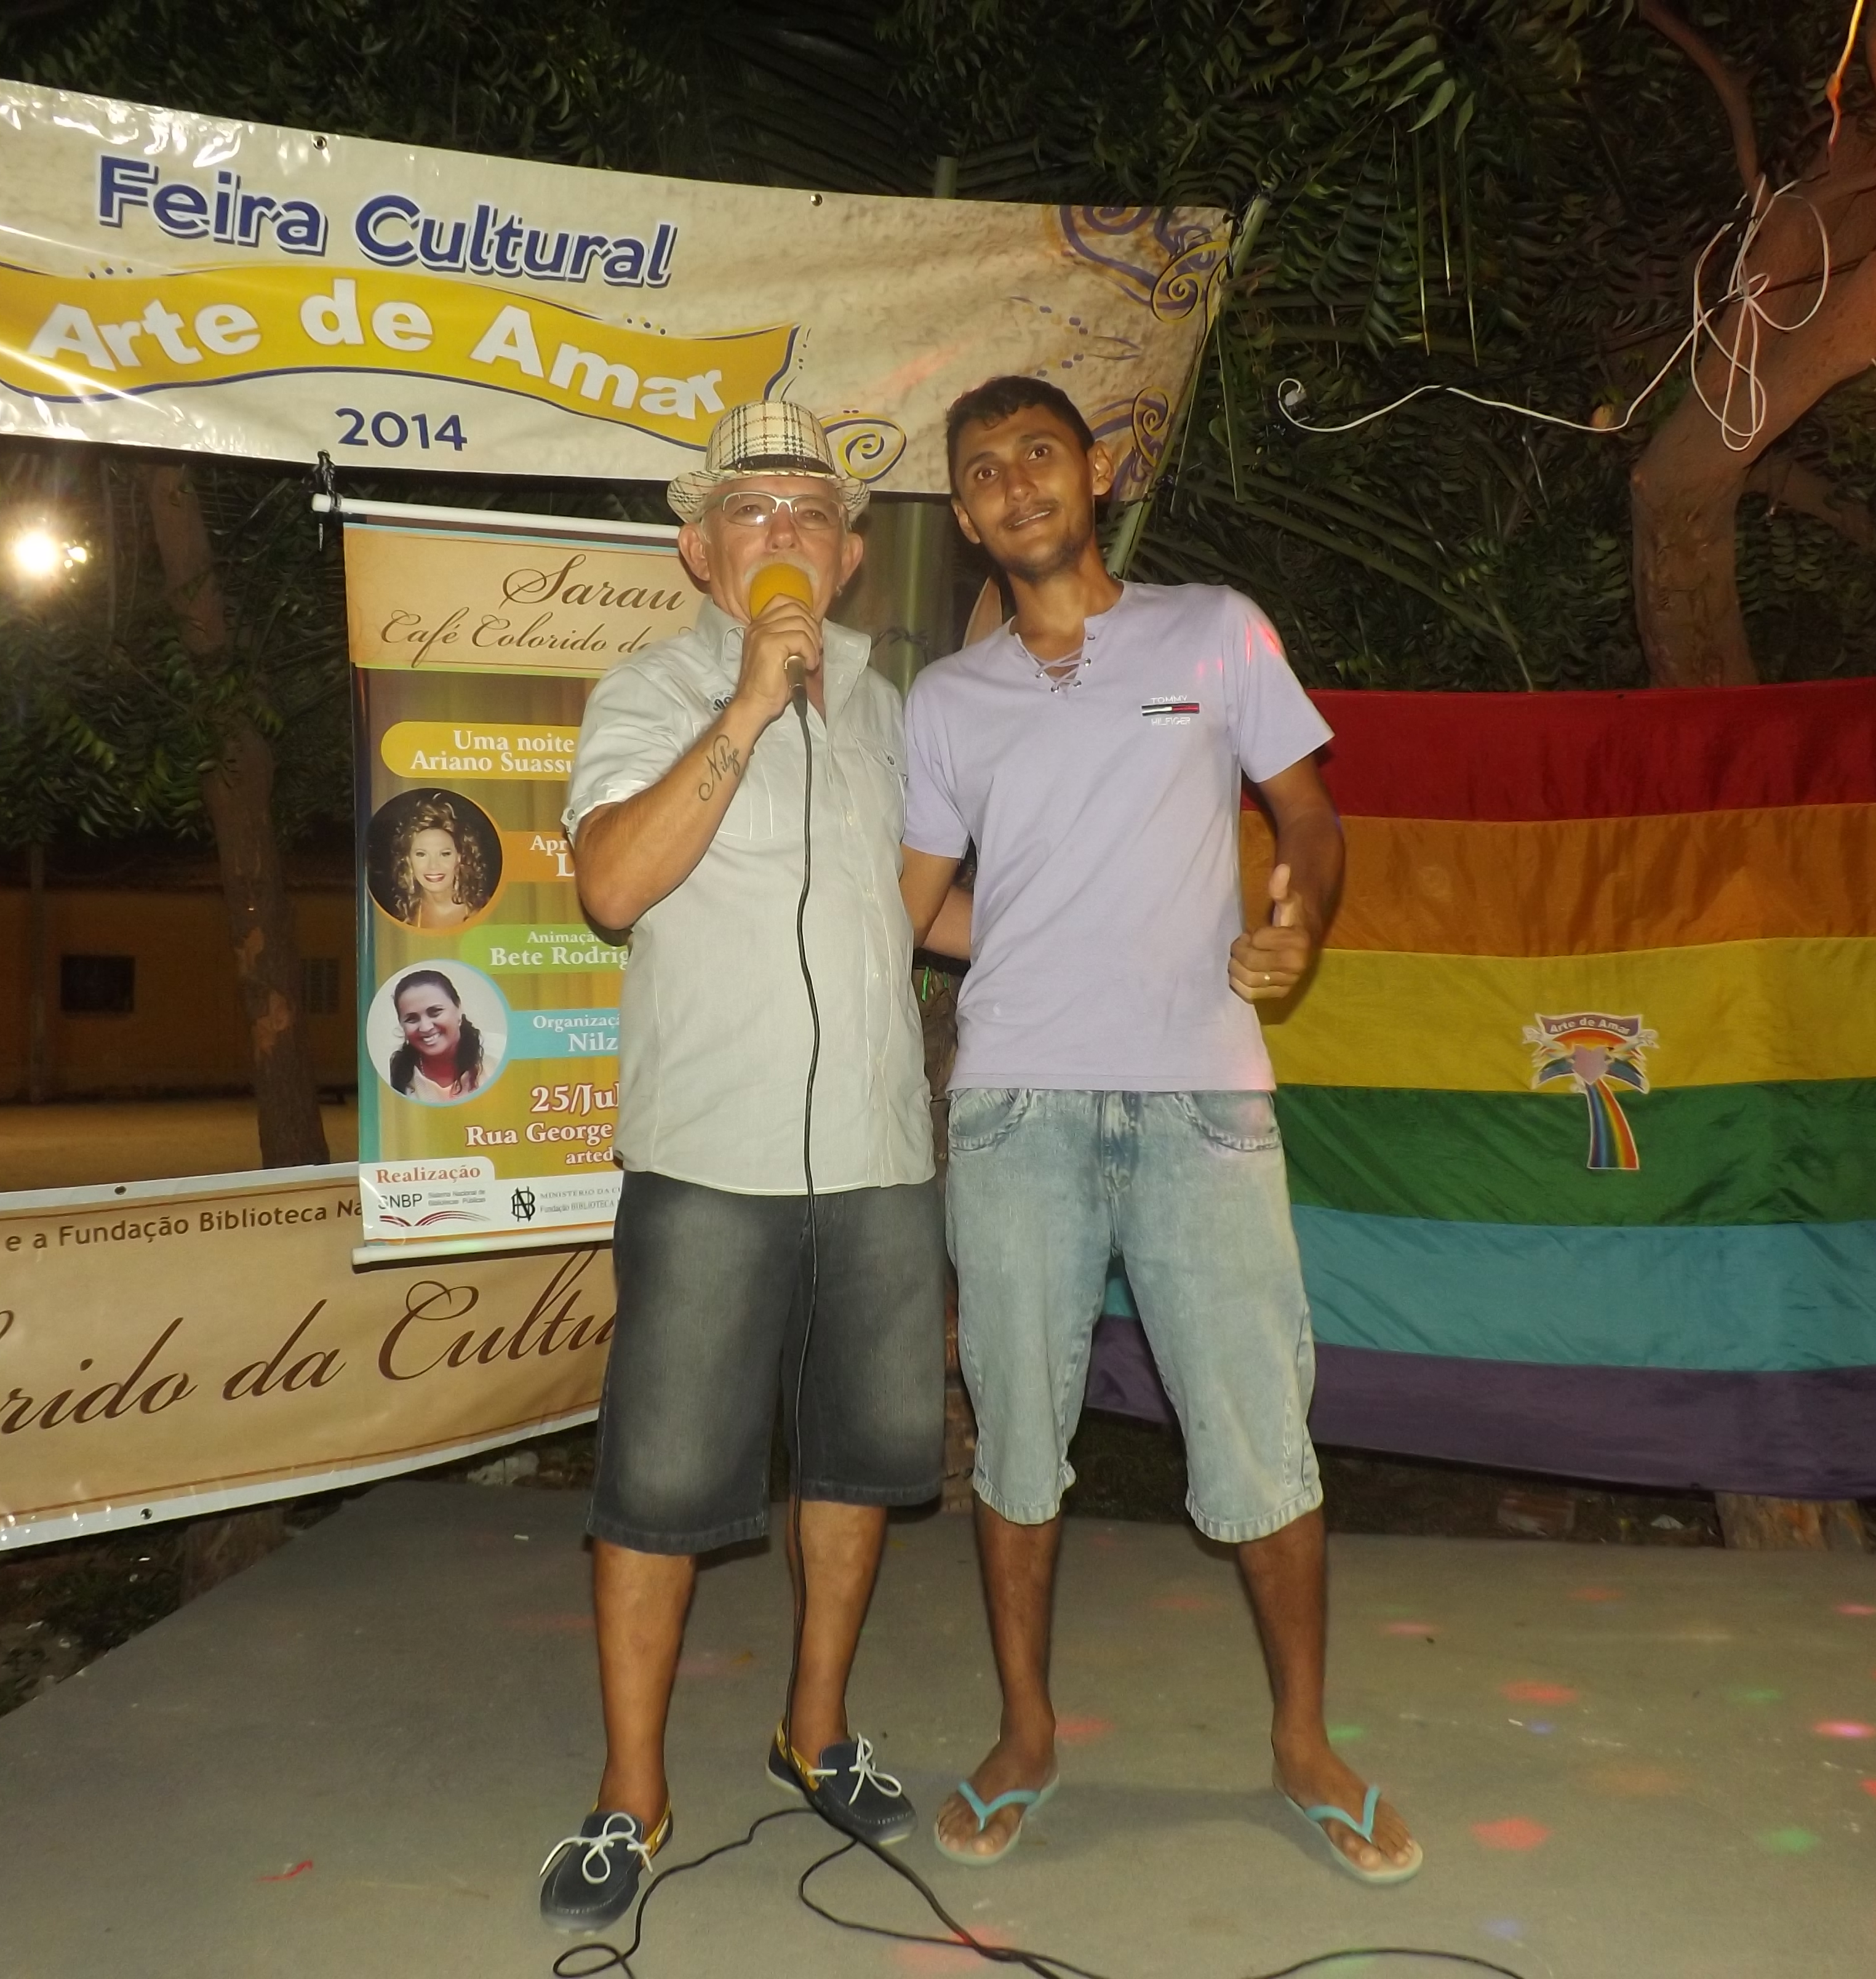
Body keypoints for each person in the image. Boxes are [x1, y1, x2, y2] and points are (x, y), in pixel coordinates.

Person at [898, 376, 1422, 1886]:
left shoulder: (1213, 630)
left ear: (1096, 473)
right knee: (1015, 1433)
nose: (1012, 483)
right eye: (980, 469)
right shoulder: (947, 701)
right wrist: (1018, 939)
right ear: (965, 514)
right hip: (1016, 1105)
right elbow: (907, 905)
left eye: (1036, 454)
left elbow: (1307, 816)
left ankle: (1304, 1741)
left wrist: (1298, 922)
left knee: (1258, 1430)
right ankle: (1024, 1733)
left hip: (1202, 1095)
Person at [537, 401, 962, 1933]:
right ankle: (629, 1793)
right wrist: (743, 703)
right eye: (750, 509)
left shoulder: (893, 709)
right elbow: (610, 884)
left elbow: (917, 909)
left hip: (873, 1153)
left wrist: (1107, 934)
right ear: (699, 552)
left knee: (854, 1464)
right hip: (707, 1155)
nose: (782, 531)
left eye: (809, 512)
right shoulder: (648, 689)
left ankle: (815, 1733)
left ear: (847, 558)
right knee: (656, 1486)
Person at [388, 793, 492, 931]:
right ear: (408, 860)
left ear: (460, 858)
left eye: (445, 854)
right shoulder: (404, 914)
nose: (433, 866)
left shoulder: (487, 912)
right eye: (421, 854)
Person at [386, 968, 482, 1102]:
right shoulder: (401, 1076)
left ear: (459, 1008)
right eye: (412, 1019)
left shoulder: (495, 1056)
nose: (426, 1028)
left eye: (435, 1012)